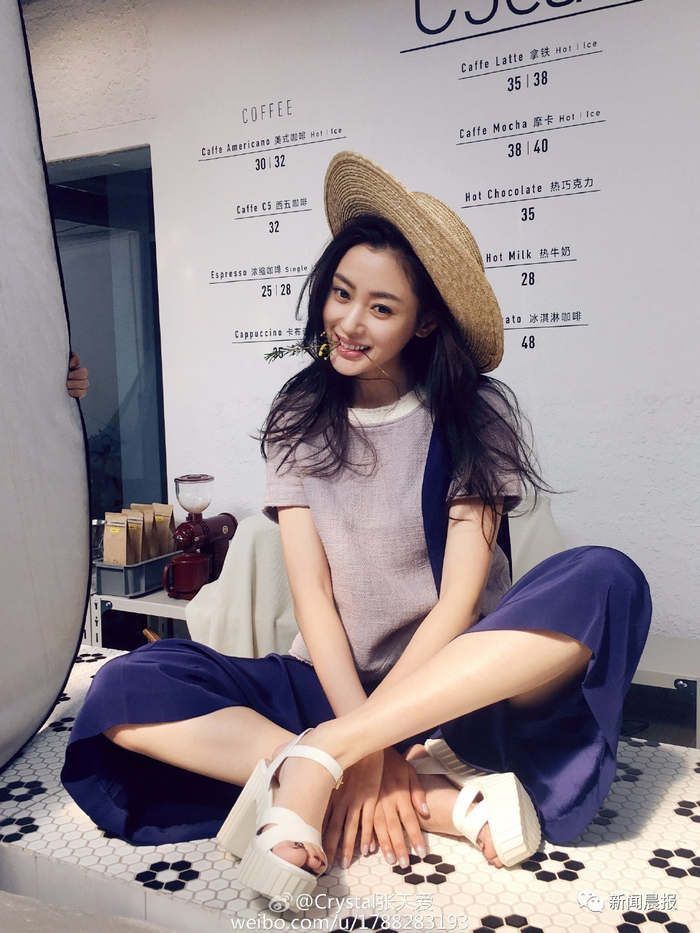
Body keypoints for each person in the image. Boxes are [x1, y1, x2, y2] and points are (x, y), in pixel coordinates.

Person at [61, 152, 651, 904]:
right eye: (341, 294)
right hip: (329, 684)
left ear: (424, 321)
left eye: (381, 307)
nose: (347, 322)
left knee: (608, 578)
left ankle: (311, 768)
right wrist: (368, 739)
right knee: (124, 687)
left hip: (455, 689)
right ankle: (431, 796)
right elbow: (312, 594)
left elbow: (458, 603)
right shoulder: (299, 415)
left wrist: (356, 743)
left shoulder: (475, 414)